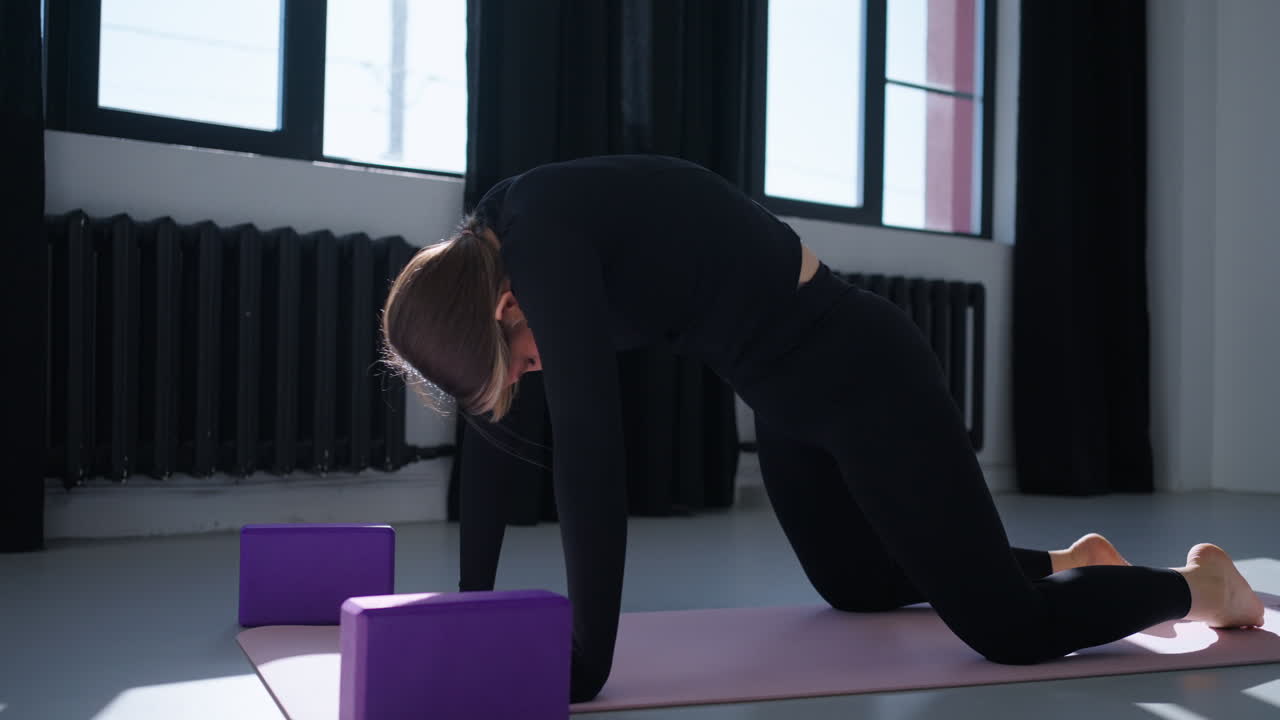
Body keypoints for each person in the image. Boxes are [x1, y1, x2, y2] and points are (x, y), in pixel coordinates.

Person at [380, 154, 1264, 703]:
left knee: (1010, 634)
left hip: (863, 375)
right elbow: (494, 443)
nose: (532, 374)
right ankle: (1072, 562)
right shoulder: (495, 249)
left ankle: (1200, 587)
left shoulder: (538, 247)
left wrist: (587, 666)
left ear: (502, 308)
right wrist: (469, 612)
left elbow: (590, 456)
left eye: (522, 361)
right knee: (857, 586)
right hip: (782, 393)